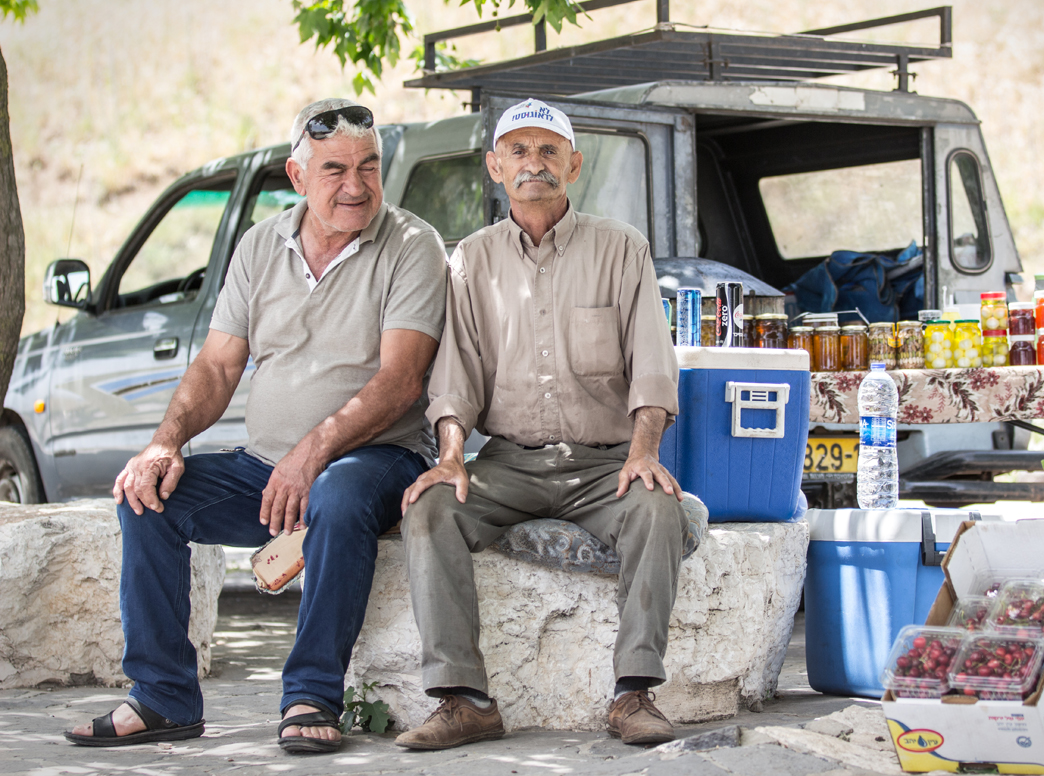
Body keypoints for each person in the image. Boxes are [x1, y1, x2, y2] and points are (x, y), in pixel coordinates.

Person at [63, 98, 448, 755]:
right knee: (148, 500)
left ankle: (311, 694)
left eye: (369, 167)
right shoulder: (259, 246)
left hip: (376, 457)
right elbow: (216, 366)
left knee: (337, 492)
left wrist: (313, 452)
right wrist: (166, 441)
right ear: (298, 177)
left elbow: (401, 381)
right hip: (266, 468)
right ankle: (163, 698)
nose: (356, 186)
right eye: (334, 170)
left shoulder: (412, 246)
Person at [397, 98, 686, 751]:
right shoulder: (470, 259)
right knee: (432, 511)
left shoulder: (621, 248)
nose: (536, 164)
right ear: (497, 167)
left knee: (659, 510)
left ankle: (633, 694)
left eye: (550, 151)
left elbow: (652, 364)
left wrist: (644, 450)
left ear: (574, 165)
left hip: (606, 464)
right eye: (520, 152)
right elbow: (457, 377)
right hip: (509, 464)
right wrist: (450, 456)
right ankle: (464, 700)